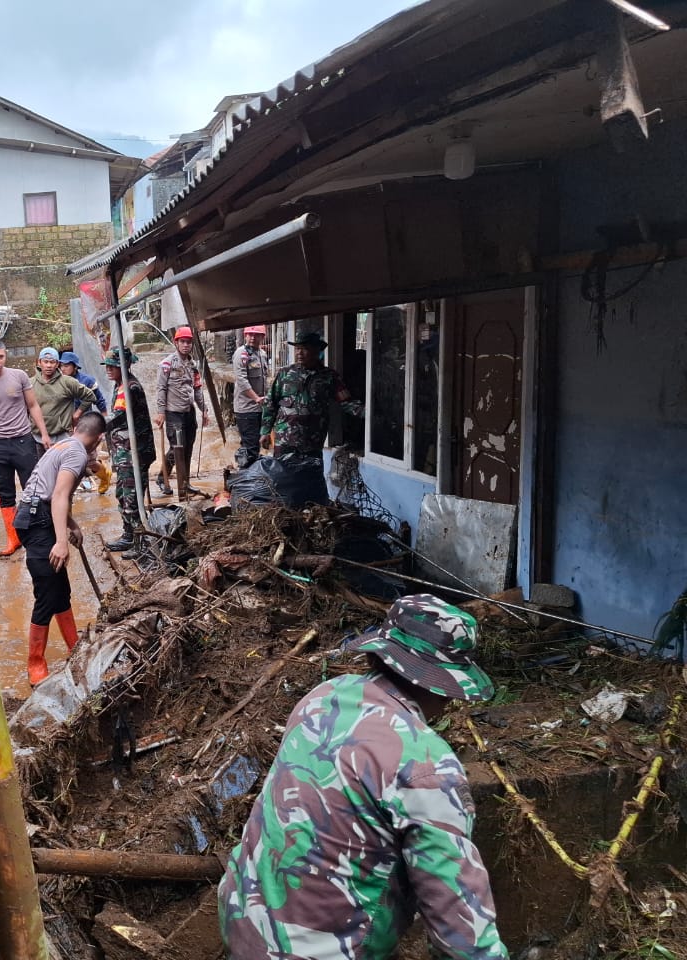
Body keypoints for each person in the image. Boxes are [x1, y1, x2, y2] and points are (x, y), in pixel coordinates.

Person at [218, 594, 510, 960]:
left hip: (244, 925)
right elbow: (462, 926)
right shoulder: (426, 765)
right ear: (439, 685)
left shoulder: (323, 697)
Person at [13, 411, 105, 684]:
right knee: (46, 594)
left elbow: (52, 493)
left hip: (34, 516)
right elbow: (58, 496)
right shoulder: (76, 453)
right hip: (37, 521)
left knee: (60, 590)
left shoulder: (64, 444)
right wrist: (61, 542)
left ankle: (74, 648)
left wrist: (71, 525)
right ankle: (35, 664)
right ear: (98, 439)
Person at [260, 331, 363, 503]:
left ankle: (310, 516)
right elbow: (270, 403)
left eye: (305, 349)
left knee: (311, 483)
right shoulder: (284, 374)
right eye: (298, 349)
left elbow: (346, 402)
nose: (299, 353)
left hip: (312, 442)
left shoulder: (329, 377)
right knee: (280, 480)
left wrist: (367, 413)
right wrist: (264, 431)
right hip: (284, 441)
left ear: (316, 351)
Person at [0, 340, 52, 556]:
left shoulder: (19, 376)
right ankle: (13, 538)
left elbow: (33, 405)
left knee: (33, 488)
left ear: (5, 356)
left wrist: (43, 434)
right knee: (4, 493)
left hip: (23, 441)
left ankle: (39, 533)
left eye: (1, 356)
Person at [99, 348, 155, 554]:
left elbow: (118, 416)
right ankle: (129, 535)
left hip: (134, 454)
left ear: (124, 365)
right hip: (124, 453)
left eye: (113, 366)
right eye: (108, 366)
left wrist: (94, 425)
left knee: (133, 497)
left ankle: (141, 543)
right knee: (123, 494)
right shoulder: (120, 385)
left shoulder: (130, 388)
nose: (108, 370)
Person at [154, 325, 211, 500]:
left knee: (188, 448)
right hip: (173, 414)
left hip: (189, 413)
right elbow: (160, 389)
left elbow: (197, 389)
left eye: (188, 342)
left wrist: (204, 410)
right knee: (176, 448)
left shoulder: (192, 365)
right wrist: (161, 412)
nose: (186, 345)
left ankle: (185, 482)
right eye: (183, 342)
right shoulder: (167, 364)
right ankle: (162, 478)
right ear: (176, 342)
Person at [32, 346, 98, 445]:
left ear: (57, 364)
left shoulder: (67, 382)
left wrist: (77, 414)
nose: (49, 365)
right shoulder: (30, 384)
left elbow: (90, 396)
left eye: (52, 362)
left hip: (62, 437)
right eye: (46, 362)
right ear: (39, 362)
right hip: (37, 437)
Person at [231, 325, 270, 468]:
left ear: (262, 337)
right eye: (250, 335)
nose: (253, 337)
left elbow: (265, 379)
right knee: (251, 446)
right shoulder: (241, 354)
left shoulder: (262, 354)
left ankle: (245, 473)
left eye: (256, 335)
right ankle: (246, 477)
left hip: (259, 408)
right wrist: (256, 398)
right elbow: (241, 380)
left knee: (254, 445)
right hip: (246, 408)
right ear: (245, 336)